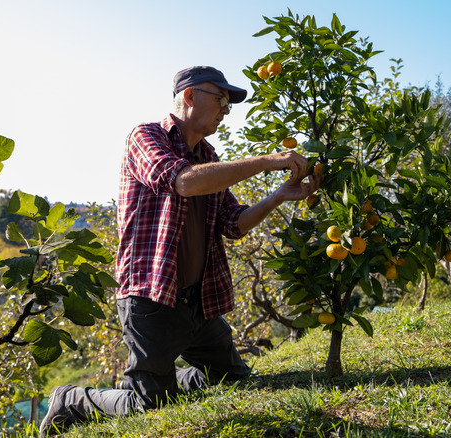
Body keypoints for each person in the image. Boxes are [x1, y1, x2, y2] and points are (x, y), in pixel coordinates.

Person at [39, 65, 320, 437]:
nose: (225, 110)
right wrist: (268, 161)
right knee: (147, 406)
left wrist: (278, 195)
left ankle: (162, 380)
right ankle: (72, 399)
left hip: (196, 301)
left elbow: (232, 222)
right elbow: (182, 182)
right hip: (152, 296)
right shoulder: (144, 137)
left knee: (230, 379)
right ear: (189, 96)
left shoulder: (209, 155)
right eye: (220, 99)